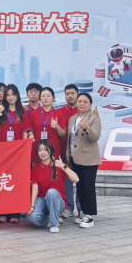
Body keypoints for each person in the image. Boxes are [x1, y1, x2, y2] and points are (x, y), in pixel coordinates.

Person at [0, 84, 31, 223]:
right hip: (2, 152)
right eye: (8, 95)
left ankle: (15, 213)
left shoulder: (23, 112)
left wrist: (25, 150)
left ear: (17, 95)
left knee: (15, 182)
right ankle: (3, 212)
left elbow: (25, 133)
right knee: (2, 181)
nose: (10, 97)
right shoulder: (1, 110)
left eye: (13, 94)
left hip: (17, 153)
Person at [27, 140, 79, 233]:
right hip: (42, 199)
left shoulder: (59, 165)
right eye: (40, 150)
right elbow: (35, 188)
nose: (42, 152)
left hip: (58, 201)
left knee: (51, 192)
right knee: (32, 218)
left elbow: (76, 179)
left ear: (50, 151)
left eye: (45, 150)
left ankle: (54, 224)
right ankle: (51, 218)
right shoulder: (35, 169)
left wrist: (63, 166)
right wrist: (32, 206)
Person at [66, 93, 102, 228]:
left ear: (90, 104)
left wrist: (86, 127)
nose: (82, 104)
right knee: (80, 186)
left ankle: (89, 215)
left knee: (88, 187)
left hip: (89, 158)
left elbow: (95, 137)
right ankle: (83, 213)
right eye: (80, 101)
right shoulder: (72, 118)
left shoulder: (94, 118)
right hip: (75, 157)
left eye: (85, 102)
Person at [59, 84, 81, 219]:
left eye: (72, 93)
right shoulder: (60, 112)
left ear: (77, 94)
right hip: (65, 153)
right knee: (67, 182)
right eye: (67, 94)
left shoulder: (83, 111)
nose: (70, 96)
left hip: (80, 154)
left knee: (80, 182)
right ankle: (69, 208)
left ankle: (81, 209)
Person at [28, 87, 67, 166]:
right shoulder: (33, 113)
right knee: (37, 171)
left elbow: (63, 135)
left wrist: (57, 127)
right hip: (38, 150)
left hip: (53, 150)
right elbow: (30, 129)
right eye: (43, 96)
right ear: (40, 98)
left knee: (53, 172)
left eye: (48, 96)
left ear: (53, 98)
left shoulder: (59, 114)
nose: (45, 98)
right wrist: (31, 135)